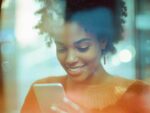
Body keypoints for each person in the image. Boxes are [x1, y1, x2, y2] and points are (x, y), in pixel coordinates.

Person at [21, 0, 150, 113]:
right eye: (61, 48)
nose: (70, 59)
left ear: (103, 41)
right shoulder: (42, 93)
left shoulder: (138, 94)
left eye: (82, 47)